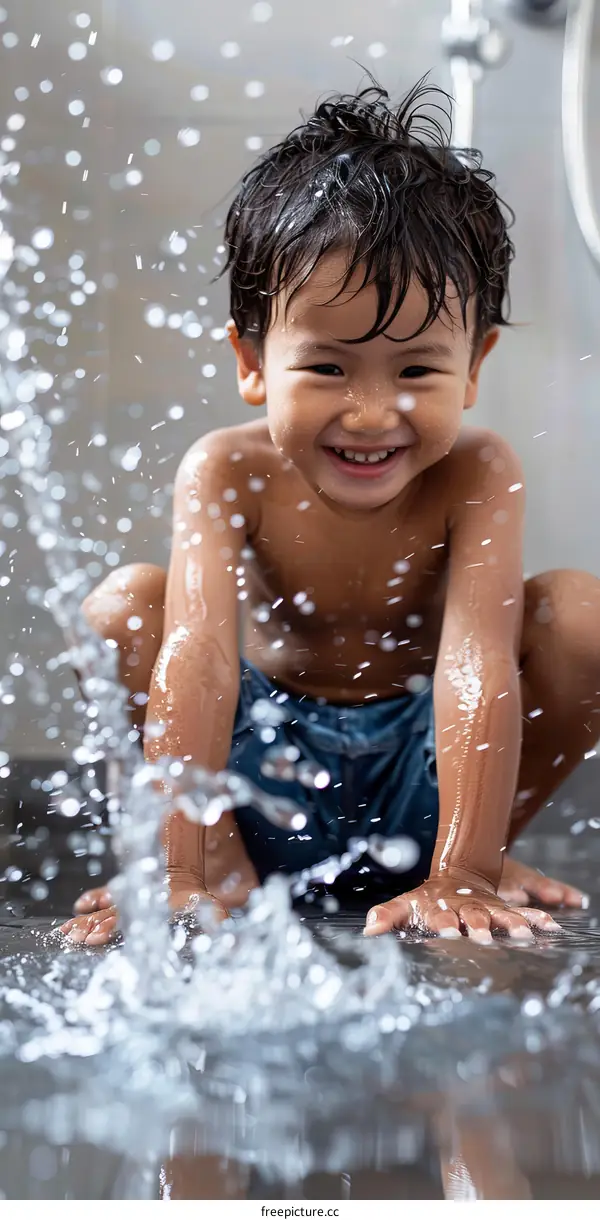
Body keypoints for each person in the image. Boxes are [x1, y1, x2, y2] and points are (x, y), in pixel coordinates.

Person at [61, 79, 599, 948]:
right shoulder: (227, 469)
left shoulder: (477, 470)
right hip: (260, 782)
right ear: (252, 359)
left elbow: (476, 660)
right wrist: (178, 868)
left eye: (418, 372)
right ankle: (220, 867)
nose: (372, 413)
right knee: (123, 609)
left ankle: (470, 866)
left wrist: (461, 865)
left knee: (583, 615)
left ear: (474, 366)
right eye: (328, 369)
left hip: (430, 782)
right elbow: (198, 657)